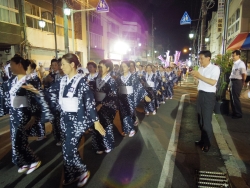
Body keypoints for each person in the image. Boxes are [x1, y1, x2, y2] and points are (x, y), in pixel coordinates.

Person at [29, 53, 105, 186]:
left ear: (72, 65)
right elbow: (49, 92)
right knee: (67, 149)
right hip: (64, 119)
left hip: (77, 120)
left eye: (63, 64)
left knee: (68, 149)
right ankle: (71, 175)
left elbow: (89, 102)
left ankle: (82, 171)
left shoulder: (81, 81)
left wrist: (96, 121)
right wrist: (36, 91)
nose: (60, 67)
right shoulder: (62, 81)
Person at [5, 55, 52, 174]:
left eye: (12, 65)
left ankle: (33, 160)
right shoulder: (12, 80)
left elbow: (35, 99)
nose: (10, 67)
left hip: (23, 114)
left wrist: (34, 116)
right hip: (14, 113)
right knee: (16, 139)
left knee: (19, 140)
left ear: (19, 65)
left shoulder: (29, 81)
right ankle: (23, 162)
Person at [191, 50, 220, 152]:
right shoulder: (200, 68)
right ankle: (202, 140)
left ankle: (207, 144)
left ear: (208, 58)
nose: (200, 61)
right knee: (200, 120)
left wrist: (199, 76)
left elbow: (212, 82)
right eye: (199, 58)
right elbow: (198, 82)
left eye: (201, 58)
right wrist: (195, 78)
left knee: (206, 121)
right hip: (201, 94)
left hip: (209, 96)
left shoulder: (215, 68)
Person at [116, 61, 150, 137]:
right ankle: (125, 129)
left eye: (124, 66)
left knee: (128, 113)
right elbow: (116, 88)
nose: (123, 68)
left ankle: (131, 129)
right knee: (123, 114)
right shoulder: (119, 78)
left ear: (128, 67)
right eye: (122, 66)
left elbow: (138, 87)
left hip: (130, 98)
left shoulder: (133, 77)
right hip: (121, 98)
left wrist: (145, 95)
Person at [92, 59, 118, 154]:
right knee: (96, 125)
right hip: (96, 105)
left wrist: (102, 104)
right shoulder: (95, 79)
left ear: (107, 68)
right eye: (98, 67)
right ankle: (98, 145)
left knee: (107, 125)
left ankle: (108, 144)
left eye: (101, 67)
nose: (99, 69)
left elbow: (113, 96)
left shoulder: (111, 81)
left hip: (107, 107)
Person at [229, 50, 246, 119]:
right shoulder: (235, 63)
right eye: (232, 55)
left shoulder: (241, 64)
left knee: (235, 98)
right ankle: (234, 112)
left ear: (238, 55)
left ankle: (238, 114)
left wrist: (243, 81)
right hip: (232, 81)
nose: (233, 57)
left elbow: (244, 74)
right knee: (232, 98)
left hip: (237, 81)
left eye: (234, 55)